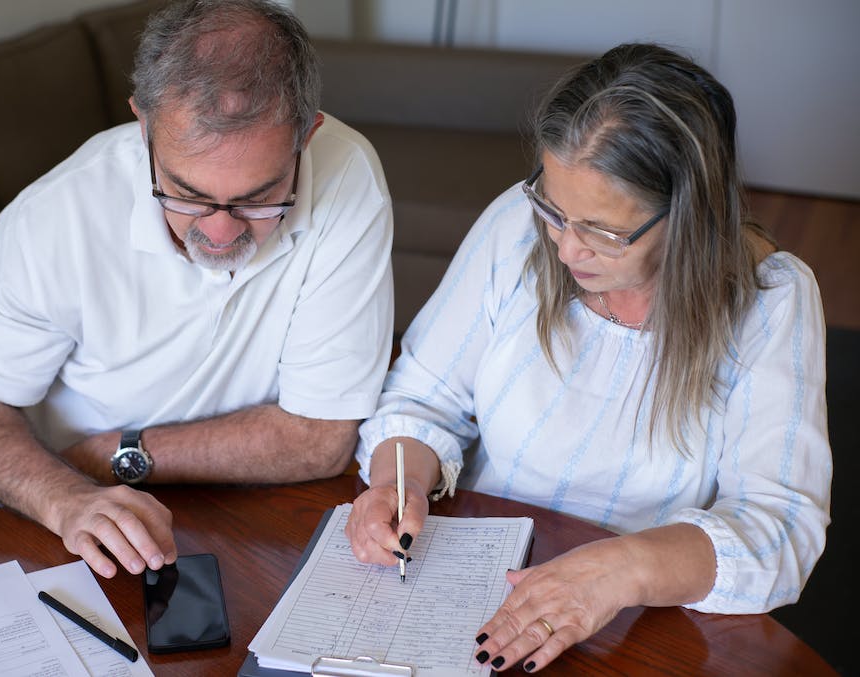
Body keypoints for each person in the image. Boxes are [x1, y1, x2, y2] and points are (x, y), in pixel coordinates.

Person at [345, 42, 831, 672]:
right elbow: (422, 398)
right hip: (473, 580)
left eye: (602, 230)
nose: (567, 248)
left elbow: (781, 525)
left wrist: (615, 570)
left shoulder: (771, 300)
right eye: (554, 209)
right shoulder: (517, 229)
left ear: (688, 214)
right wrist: (394, 483)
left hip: (641, 620)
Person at [0, 0, 393, 580]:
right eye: (187, 192)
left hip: (226, 497)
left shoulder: (348, 174)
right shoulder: (56, 217)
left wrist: (114, 454)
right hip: (68, 506)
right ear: (143, 125)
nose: (220, 232)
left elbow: (321, 438)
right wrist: (64, 495)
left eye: (258, 197)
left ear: (309, 134)